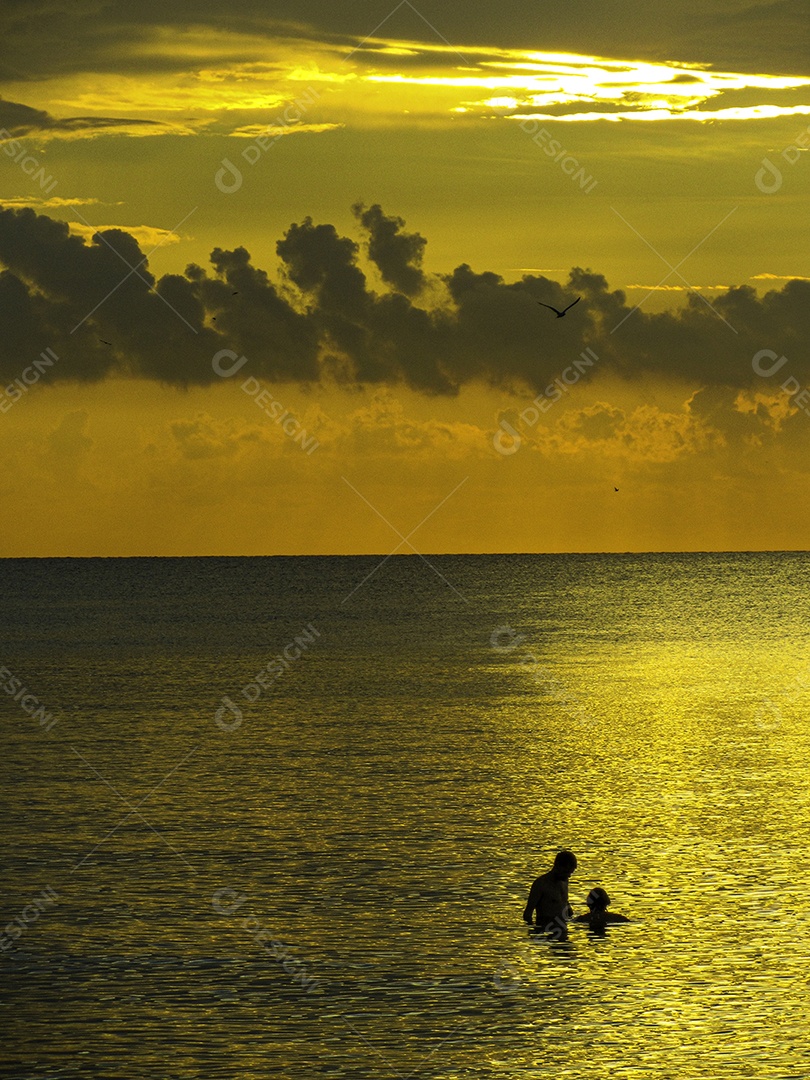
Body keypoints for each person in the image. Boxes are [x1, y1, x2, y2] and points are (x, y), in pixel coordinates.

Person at [523, 850, 577, 937]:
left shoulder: (564, 881)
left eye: (570, 873)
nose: (569, 876)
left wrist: (571, 914)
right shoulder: (541, 884)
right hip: (546, 930)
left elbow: (564, 901)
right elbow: (528, 913)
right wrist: (534, 931)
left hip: (562, 930)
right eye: (567, 872)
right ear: (558, 866)